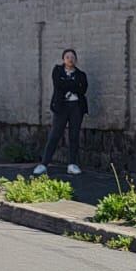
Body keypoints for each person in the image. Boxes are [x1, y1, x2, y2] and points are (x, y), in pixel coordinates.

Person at [34, 48, 88, 176]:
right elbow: (58, 84)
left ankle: (72, 164)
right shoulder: (58, 70)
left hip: (76, 107)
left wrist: (69, 84)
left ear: (76, 60)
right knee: (55, 135)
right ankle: (44, 164)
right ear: (63, 59)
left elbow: (83, 89)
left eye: (73, 57)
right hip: (61, 106)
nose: (70, 59)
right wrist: (73, 85)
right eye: (68, 57)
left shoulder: (81, 74)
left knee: (74, 135)